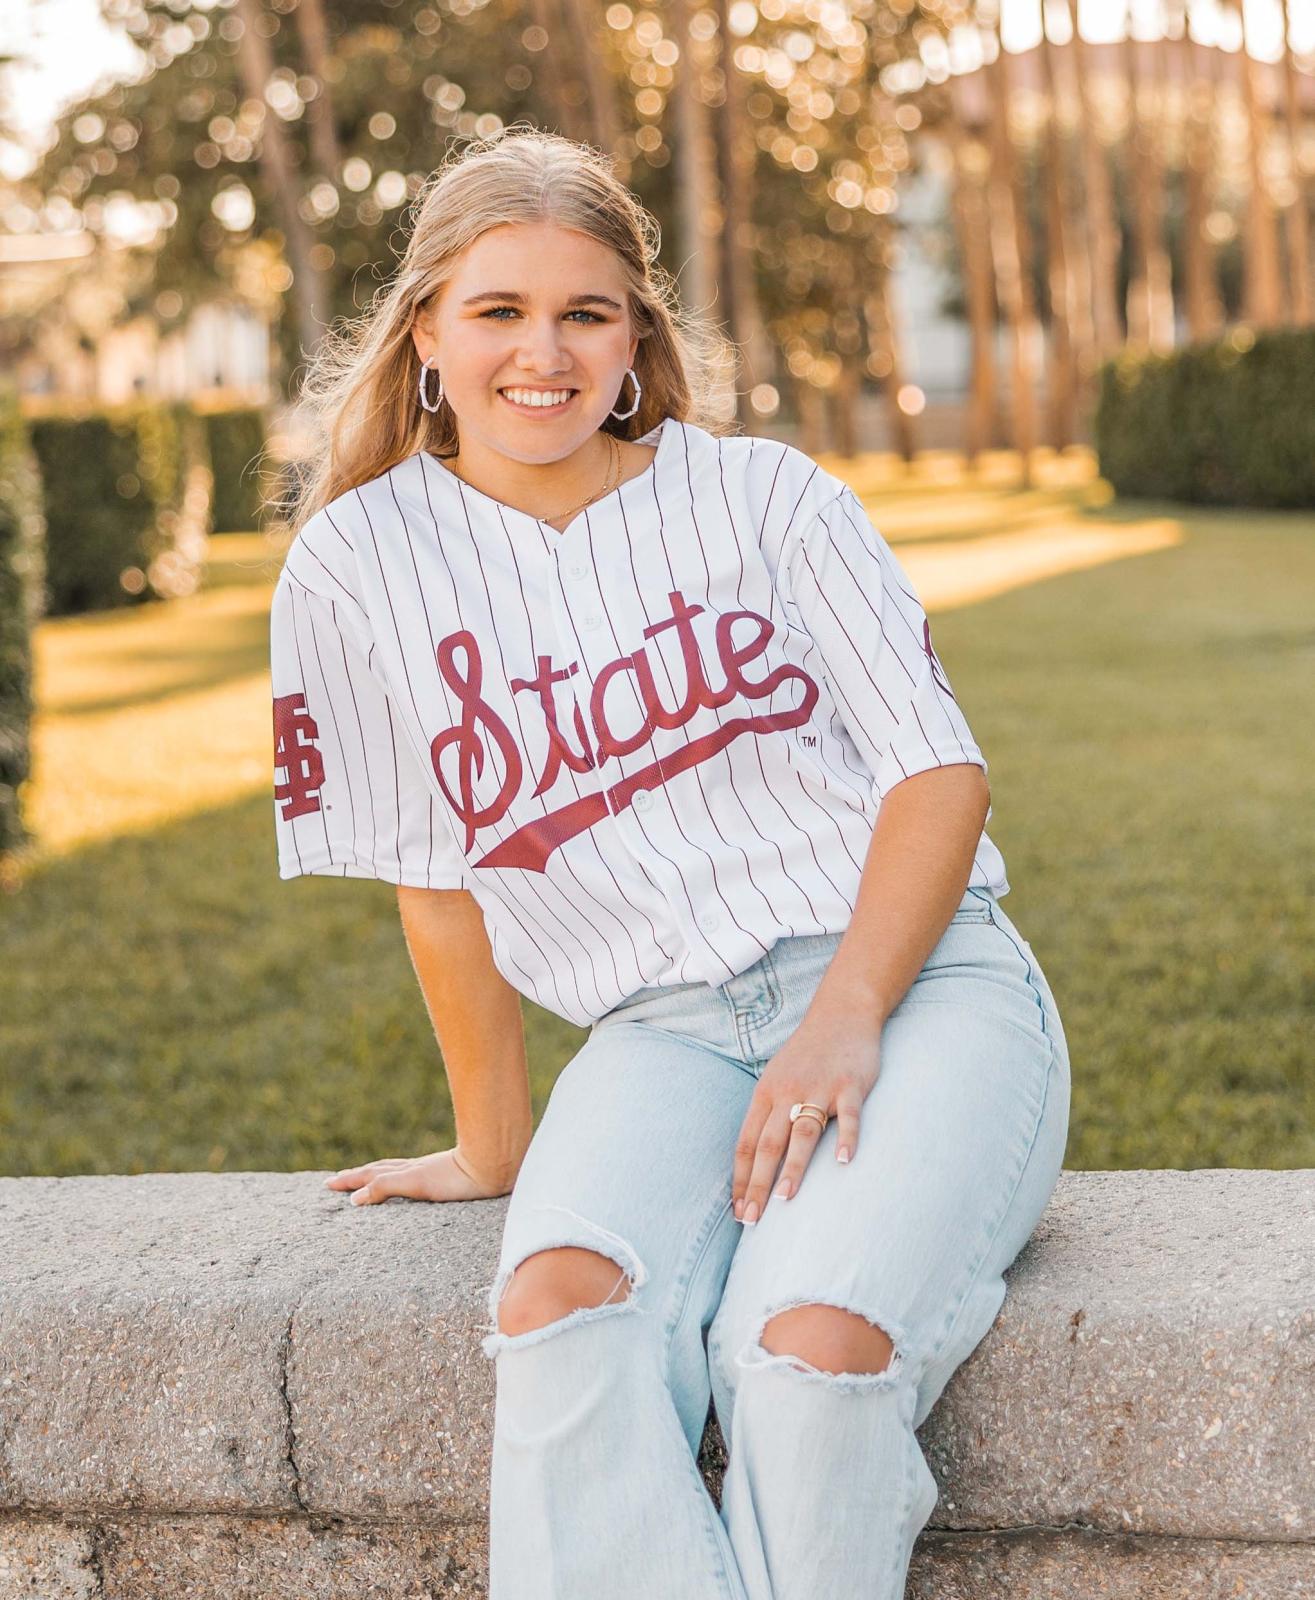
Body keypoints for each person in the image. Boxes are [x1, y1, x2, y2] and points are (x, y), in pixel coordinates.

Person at [271, 126, 1070, 1600]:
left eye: (586, 312)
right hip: (659, 1038)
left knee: (807, 1352)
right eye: (499, 310)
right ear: (427, 333)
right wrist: (496, 1152)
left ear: (637, 336)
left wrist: (846, 1017)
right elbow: (435, 882)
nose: (544, 354)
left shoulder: (766, 498)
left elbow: (938, 775)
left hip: (916, 992)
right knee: (559, 1314)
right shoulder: (354, 563)